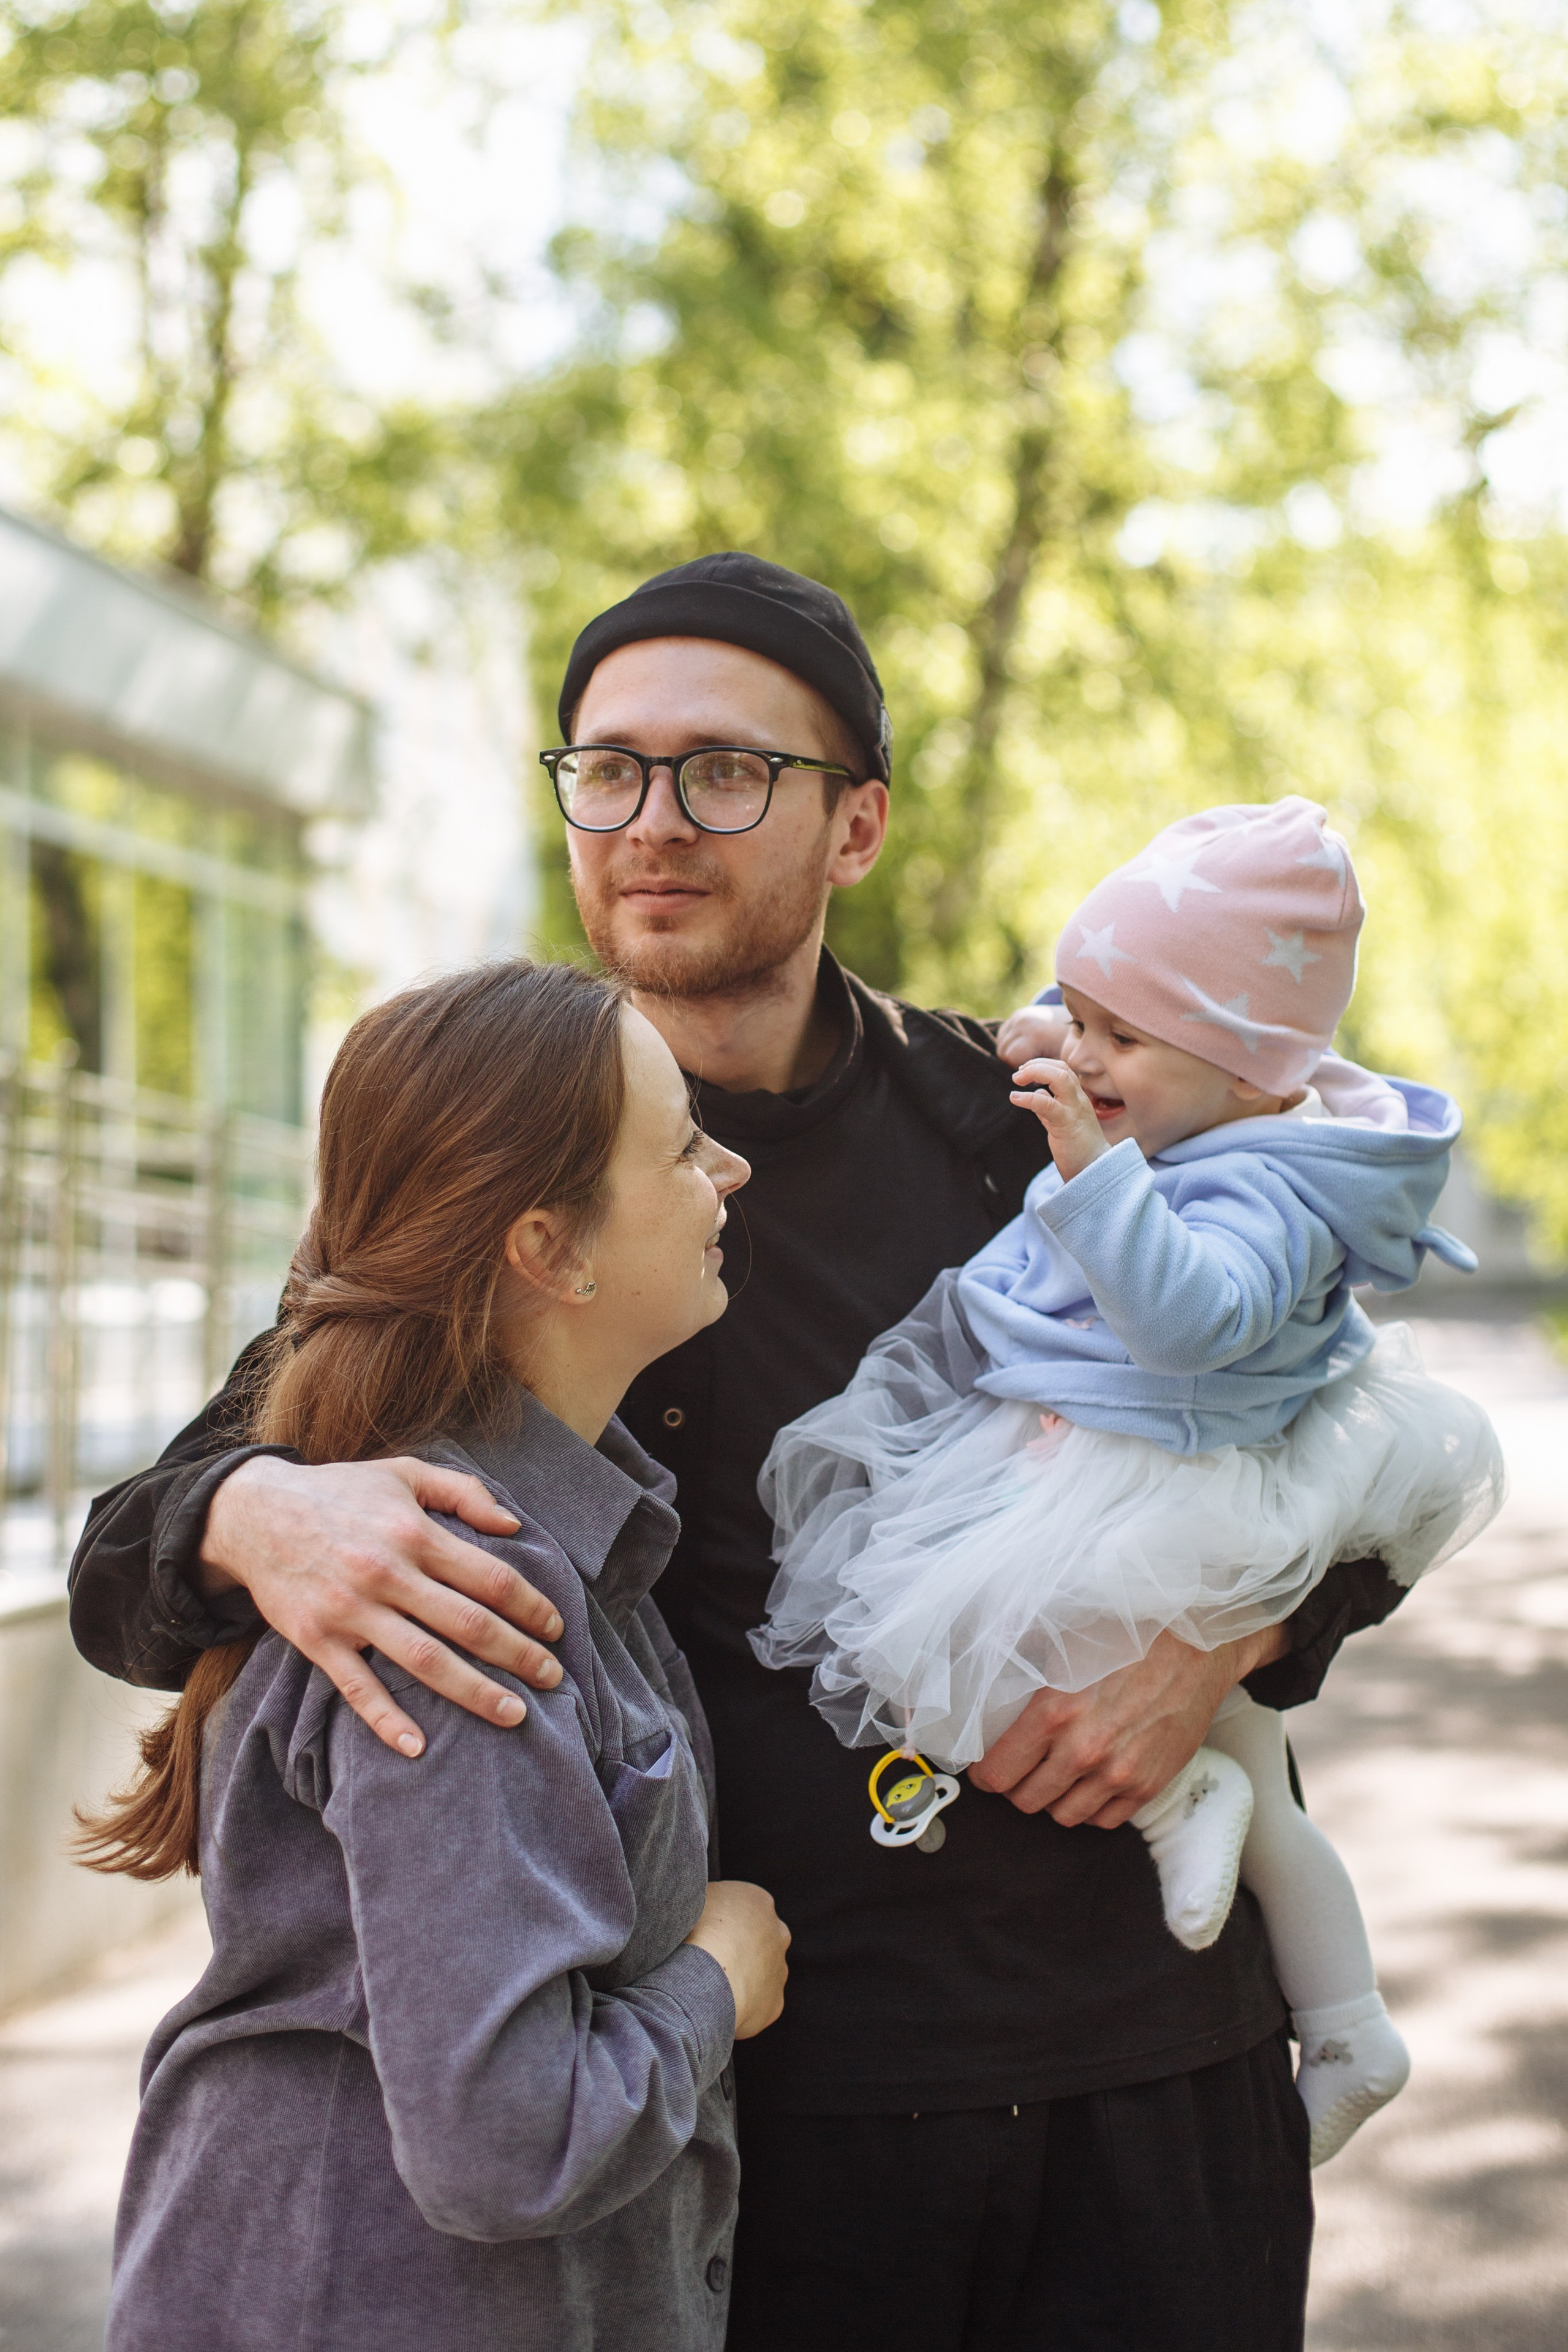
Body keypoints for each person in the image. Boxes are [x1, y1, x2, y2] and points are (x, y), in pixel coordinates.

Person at [70, 553, 1417, 2351]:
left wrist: (1226, 1649)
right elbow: (128, 1559)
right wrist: (260, 1509)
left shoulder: (1047, 1119)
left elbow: (1370, 1438)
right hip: (764, 2131)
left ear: (855, 826)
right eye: (607, 769)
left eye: (725, 770)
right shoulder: (508, 1166)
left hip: (1140, 2069)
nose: (653, 822)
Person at [752, 796, 1503, 2166]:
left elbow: (1192, 1321)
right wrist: (1076, 1045)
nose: (1078, 1053)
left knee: (941, 1652)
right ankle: (1347, 2026)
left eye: (1117, 1039)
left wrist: (1099, 1177)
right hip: (1144, 1477)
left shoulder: (1269, 1191)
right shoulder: (1192, 1098)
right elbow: (1087, 1024)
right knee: (1245, 1781)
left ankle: (1231, 1874)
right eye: (1077, 1018)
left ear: (1241, 1068)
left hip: (1152, 1488)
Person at [81, 959, 789, 2352]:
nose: (732, 1168)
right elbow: (504, 2147)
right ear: (551, 1249)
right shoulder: (455, 1594)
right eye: (679, 1146)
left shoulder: (532, 1527)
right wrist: (719, 1976)